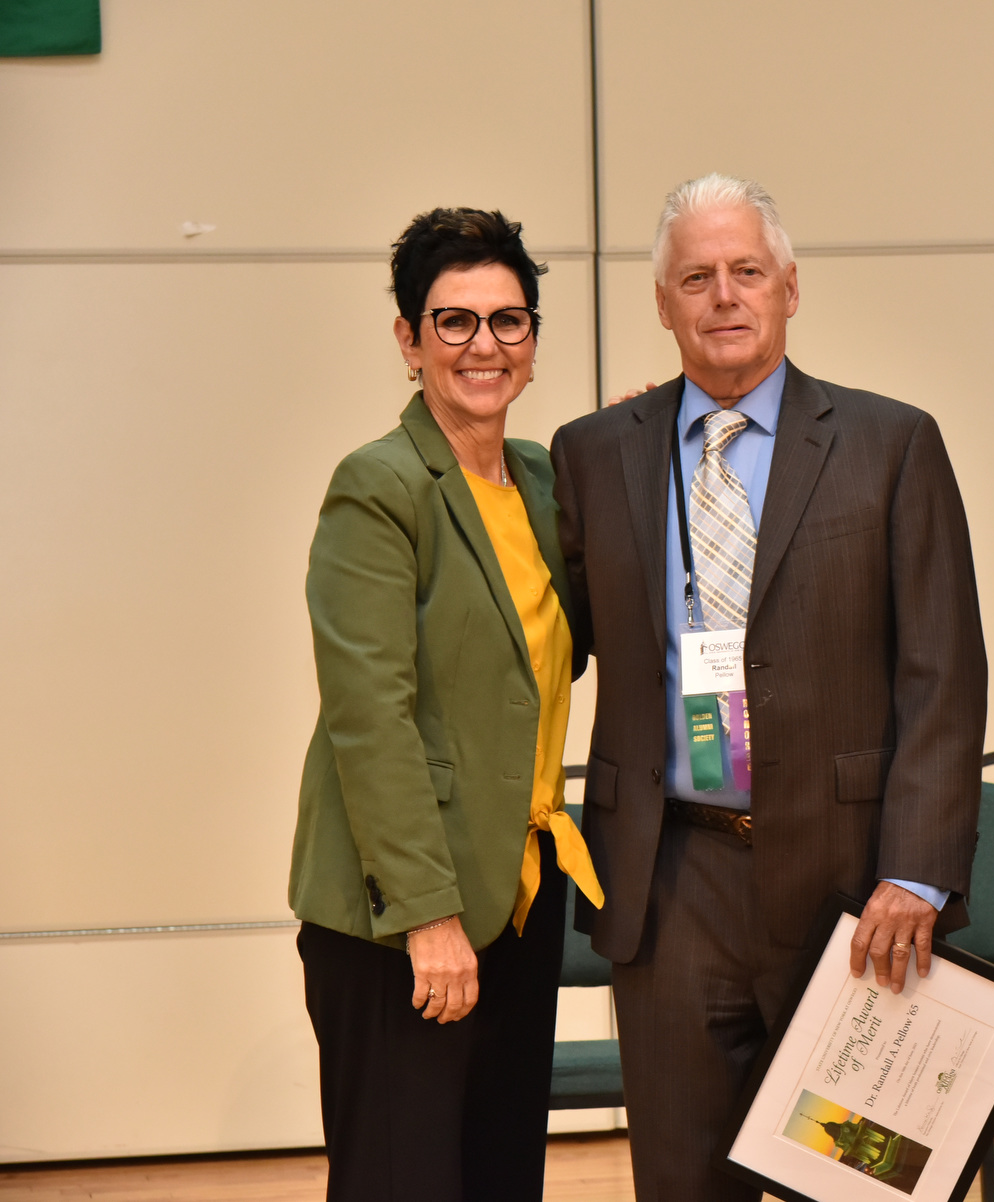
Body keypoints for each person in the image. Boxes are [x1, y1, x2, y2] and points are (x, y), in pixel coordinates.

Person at [550, 173, 986, 1202]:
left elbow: (943, 669)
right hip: (670, 879)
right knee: (683, 1177)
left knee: (859, 1178)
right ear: (663, 304)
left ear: (790, 286)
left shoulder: (891, 443)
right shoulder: (593, 453)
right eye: (696, 277)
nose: (724, 296)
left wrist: (916, 872)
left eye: (747, 270)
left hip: (853, 888)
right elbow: (548, 638)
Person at [289, 207, 604, 1201]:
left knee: (498, 1175)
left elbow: (576, 645)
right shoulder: (379, 487)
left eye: (508, 320)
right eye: (454, 320)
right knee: (404, 1180)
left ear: (534, 340)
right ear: (409, 338)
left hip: (519, 894)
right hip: (404, 915)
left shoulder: (545, 480)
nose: (484, 345)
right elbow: (368, 716)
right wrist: (428, 915)